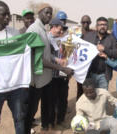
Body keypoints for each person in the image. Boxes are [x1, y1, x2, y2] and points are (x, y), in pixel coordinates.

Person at [24, 3, 73, 133]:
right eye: (46, 13)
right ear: (39, 13)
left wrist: (58, 60)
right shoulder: (34, 30)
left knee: (47, 105)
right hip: (36, 79)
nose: (49, 15)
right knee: (32, 109)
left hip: (46, 78)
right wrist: (61, 68)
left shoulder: (42, 30)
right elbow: (38, 59)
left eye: (50, 13)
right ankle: (26, 129)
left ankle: (46, 128)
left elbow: (46, 54)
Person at [0, 1, 24, 134]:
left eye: (8, 14)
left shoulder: (15, 33)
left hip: (14, 87)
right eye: (4, 14)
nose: (8, 17)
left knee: (19, 119)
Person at [84, 17, 117, 90]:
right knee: (91, 98)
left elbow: (116, 54)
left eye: (104, 25)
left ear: (107, 27)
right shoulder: (88, 36)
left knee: (103, 98)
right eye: (100, 24)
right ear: (96, 26)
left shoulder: (112, 38)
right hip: (90, 73)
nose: (102, 26)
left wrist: (104, 49)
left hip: (104, 75)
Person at [47, 19, 69, 127]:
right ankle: (51, 122)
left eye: (62, 30)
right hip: (52, 75)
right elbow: (46, 55)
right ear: (54, 27)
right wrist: (57, 60)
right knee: (52, 100)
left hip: (63, 73)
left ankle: (61, 120)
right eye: (60, 29)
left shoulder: (65, 40)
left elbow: (69, 55)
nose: (61, 32)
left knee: (63, 98)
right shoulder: (48, 39)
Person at [76, 15, 93, 100]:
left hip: (91, 65)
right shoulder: (76, 33)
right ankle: (79, 107)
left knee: (90, 87)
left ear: (90, 23)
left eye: (87, 22)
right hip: (80, 65)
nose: (85, 24)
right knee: (80, 87)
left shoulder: (93, 33)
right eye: (83, 22)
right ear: (81, 23)